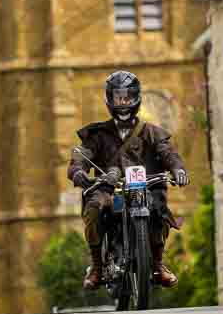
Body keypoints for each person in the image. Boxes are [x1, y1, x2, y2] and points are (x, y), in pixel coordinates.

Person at [67, 70, 189, 290]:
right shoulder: (97, 134)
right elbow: (82, 155)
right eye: (118, 97)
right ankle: (96, 266)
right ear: (110, 100)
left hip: (147, 186)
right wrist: (78, 171)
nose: (123, 102)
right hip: (108, 189)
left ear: (136, 98)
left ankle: (158, 264)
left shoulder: (152, 132)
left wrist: (178, 169)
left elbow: (168, 153)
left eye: (128, 97)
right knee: (94, 207)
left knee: (159, 210)